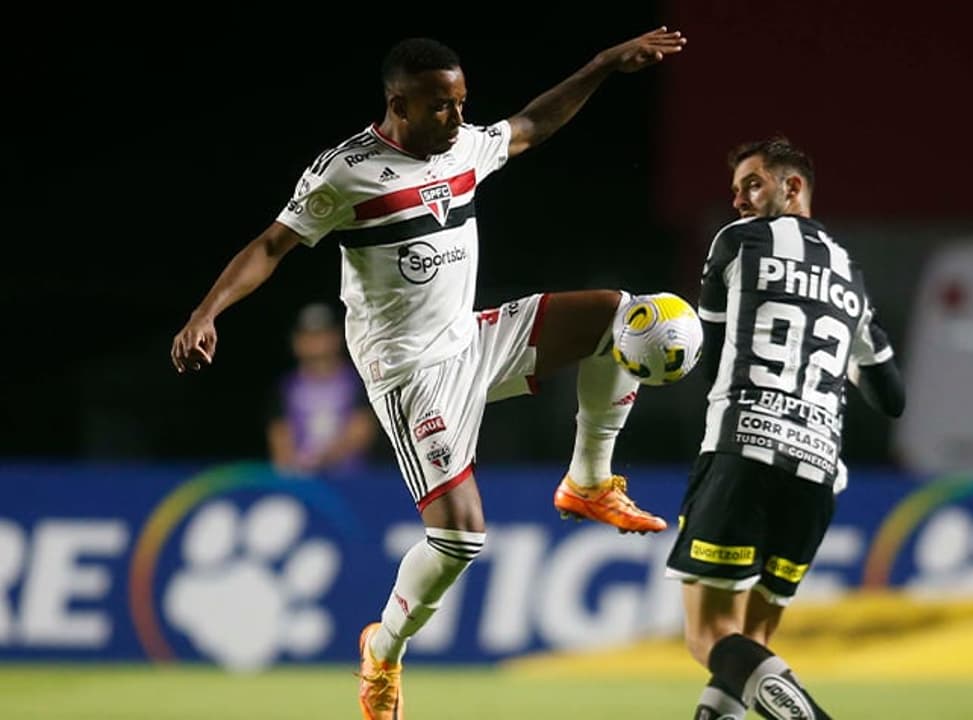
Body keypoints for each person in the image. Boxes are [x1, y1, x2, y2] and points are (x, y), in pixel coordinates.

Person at [170, 28, 686, 719]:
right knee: (461, 538)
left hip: (471, 339)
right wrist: (208, 312)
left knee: (624, 317)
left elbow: (532, 124)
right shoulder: (344, 173)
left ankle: (588, 482)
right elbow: (271, 244)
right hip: (410, 372)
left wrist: (602, 65)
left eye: (462, 102)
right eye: (442, 106)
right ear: (399, 104)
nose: (457, 117)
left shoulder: (465, 144)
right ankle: (382, 653)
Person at [664, 138, 905, 720]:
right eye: (736, 191)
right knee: (752, 642)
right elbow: (891, 397)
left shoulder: (736, 242)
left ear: (791, 187)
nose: (740, 201)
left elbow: (709, 353)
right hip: (818, 470)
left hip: (743, 449)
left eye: (752, 184)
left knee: (710, 636)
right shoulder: (851, 274)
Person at [267, 301, 377, 477]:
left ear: (337, 337)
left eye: (322, 334)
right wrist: (294, 468)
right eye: (308, 335)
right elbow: (279, 440)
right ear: (296, 341)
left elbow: (362, 432)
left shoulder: (358, 381)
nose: (316, 343)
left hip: (353, 481)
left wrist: (319, 459)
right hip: (301, 482)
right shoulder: (285, 388)